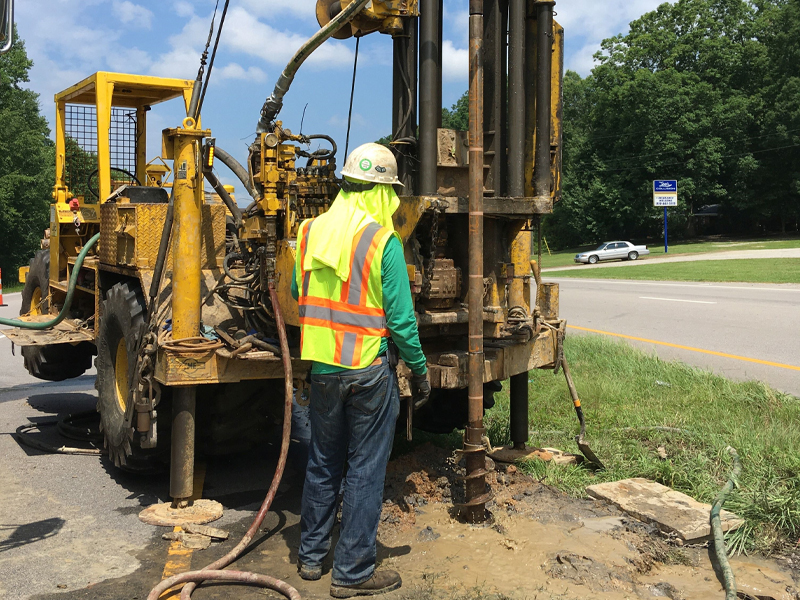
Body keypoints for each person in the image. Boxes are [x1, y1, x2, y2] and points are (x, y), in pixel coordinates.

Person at [291, 142, 430, 598]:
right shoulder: (382, 242)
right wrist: (420, 370)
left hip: (323, 370)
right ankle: (352, 572)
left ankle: (311, 558)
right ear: (382, 192)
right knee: (365, 469)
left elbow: (296, 292)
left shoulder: (308, 232)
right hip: (368, 371)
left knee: (322, 461)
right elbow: (402, 321)